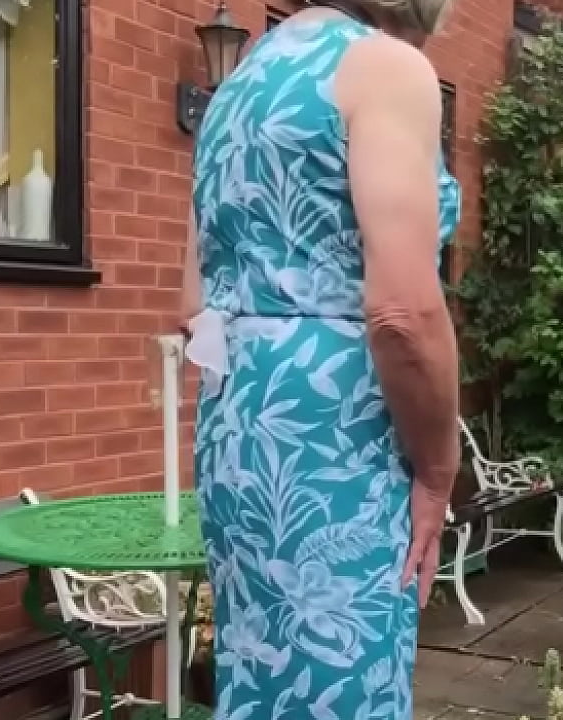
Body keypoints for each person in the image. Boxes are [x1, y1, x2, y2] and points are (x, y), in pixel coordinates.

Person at [181, 0, 461, 715]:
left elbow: (190, 304)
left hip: (239, 421)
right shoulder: (386, 70)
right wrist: (436, 470)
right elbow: (401, 312)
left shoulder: (238, 87)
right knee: (342, 677)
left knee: (261, 675)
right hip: (335, 428)